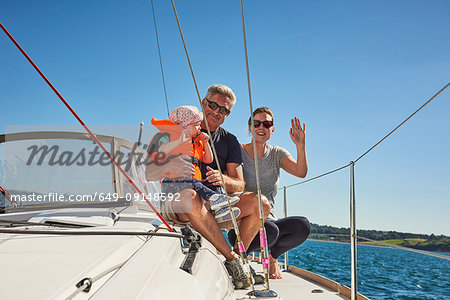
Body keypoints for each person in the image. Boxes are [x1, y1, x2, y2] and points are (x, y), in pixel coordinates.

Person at [146, 85, 271, 289]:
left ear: (228, 114)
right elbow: (148, 173)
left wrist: (223, 180)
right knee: (190, 196)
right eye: (213, 105)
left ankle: (239, 262)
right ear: (204, 103)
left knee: (262, 203)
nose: (217, 112)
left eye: (224, 110)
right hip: (180, 202)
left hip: (215, 204)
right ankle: (232, 259)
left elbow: (239, 184)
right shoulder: (172, 131)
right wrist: (170, 164)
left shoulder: (230, 141)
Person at [228, 106, 311, 279]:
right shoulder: (237, 150)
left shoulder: (277, 154)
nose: (261, 127)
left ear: (272, 129)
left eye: (266, 124)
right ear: (250, 127)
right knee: (270, 231)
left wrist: (300, 147)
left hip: (269, 222)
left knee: (302, 226)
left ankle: (273, 259)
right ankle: (236, 257)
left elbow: (301, 172)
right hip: (241, 223)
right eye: (257, 123)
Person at [148, 105, 240, 222]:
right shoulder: (168, 138)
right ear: (184, 128)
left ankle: (220, 209)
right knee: (192, 182)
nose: (199, 128)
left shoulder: (197, 142)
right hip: (172, 186)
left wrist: (206, 143)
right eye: (196, 125)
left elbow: (208, 159)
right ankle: (214, 199)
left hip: (193, 185)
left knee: (213, 183)